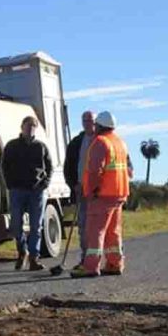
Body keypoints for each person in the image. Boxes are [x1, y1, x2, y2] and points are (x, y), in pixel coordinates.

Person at [72, 111, 134, 278]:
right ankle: (115, 263)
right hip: (119, 194)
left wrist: (90, 191)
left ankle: (90, 266)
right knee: (113, 232)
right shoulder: (120, 143)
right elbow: (129, 169)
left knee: (95, 232)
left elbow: (94, 171)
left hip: (102, 195)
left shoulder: (100, 142)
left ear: (99, 126)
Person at [2, 116, 53, 271]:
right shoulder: (11, 146)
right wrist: (10, 184)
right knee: (16, 224)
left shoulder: (41, 147)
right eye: (28, 125)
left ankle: (34, 258)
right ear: (22, 127)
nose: (30, 128)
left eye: (33, 126)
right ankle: (21, 250)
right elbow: (4, 165)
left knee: (36, 226)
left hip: (36, 190)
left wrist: (45, 183)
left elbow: (49, 167)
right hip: (17, 190)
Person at [63, 110, 96, 272]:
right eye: (86, 120)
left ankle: (100, 260)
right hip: (82, 191)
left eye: (91, 121)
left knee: (99, 228)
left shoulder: (103, 140)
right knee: (83, 227)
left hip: (101, 194)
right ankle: (85, 259)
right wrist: (73, 185)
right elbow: (68, 167)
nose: (89, 123)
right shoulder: (76, 142)